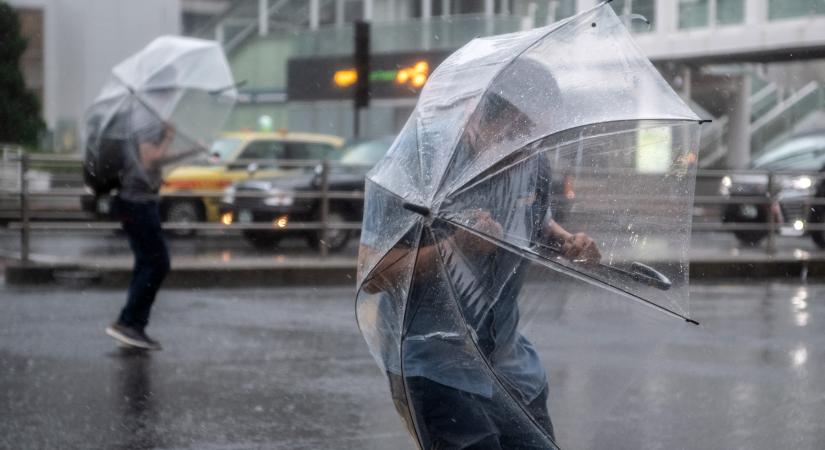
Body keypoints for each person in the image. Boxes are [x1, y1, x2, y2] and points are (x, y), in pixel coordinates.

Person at [358, 90, 600, 449]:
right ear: (479, 121)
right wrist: (453, 247)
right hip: (435, 367)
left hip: (512, 367)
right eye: (513, 136)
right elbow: (372, 272)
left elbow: (536, 223)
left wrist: (568, 242)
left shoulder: (533, 159)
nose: (525, 152)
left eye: (534, 137)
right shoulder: (420, 160)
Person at [104, 102, 177, 351]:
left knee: (147, 262)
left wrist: (193, 151)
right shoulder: (147, 117)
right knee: (158, 263)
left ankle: (134, 325)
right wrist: (167, 137)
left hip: (133, 201)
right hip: (138, 204)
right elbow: (149, 160)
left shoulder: (140, 115)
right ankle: (128, 322)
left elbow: (152, 161)